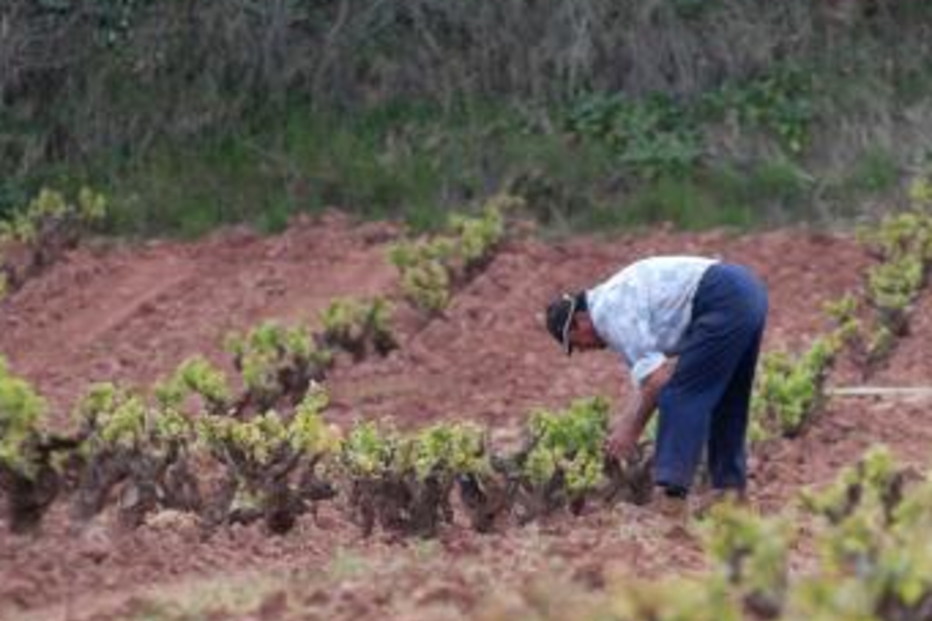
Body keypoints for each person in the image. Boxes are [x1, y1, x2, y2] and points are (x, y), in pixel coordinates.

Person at [545, 256, 768, 518]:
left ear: (580, 321)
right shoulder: (615, 298)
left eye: (574, 343)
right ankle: (731, 494)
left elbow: (659, 380)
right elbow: (651, 376)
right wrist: (626, 420)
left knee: (679, 396)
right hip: (747, 291)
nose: (581, 351)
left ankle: (671, 500)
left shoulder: (610, 314)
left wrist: (630, 430)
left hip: (722, 298)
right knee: (728, 398)